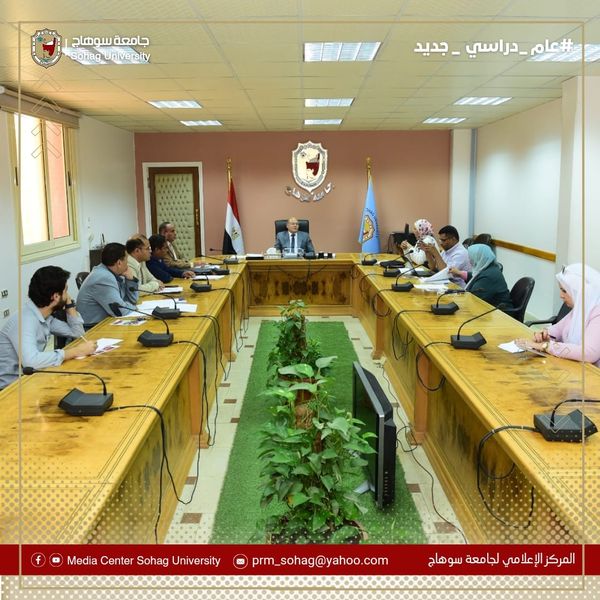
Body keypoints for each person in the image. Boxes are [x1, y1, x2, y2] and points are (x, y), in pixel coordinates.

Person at [0, 266, 96, 389]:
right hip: (10, 389)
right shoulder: (25, 320)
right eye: (66, 291)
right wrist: (76, 351)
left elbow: (78, 334)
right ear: (55, 296)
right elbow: (31, 361)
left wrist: (69, 305)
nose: (68, 295)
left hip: (30, 381)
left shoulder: (45, 316)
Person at [516, 263, 600, 366]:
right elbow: (557, 330)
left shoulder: (597, 313)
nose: (561, 296)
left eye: (565, 291)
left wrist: (545, 346)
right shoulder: (580, 309)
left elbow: (588, 353)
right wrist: (545, 335)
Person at [76, 242, 140, 328]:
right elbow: (120, 310)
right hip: (92, 329)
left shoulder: (111, 272)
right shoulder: (103, 277)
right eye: (126, 260)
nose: (127, 264)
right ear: (119, 263)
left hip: (105, 322)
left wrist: (130, 279)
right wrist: (135, 308)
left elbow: (133, 300)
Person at [449, 244, 514, 310]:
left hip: (501, 314)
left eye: (471, 257)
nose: (469, 260)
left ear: (479, 258)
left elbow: (472, 299)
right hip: (489, 309)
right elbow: (476, 277)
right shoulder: (489, 267)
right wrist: (460, 273)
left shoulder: (488, 277)